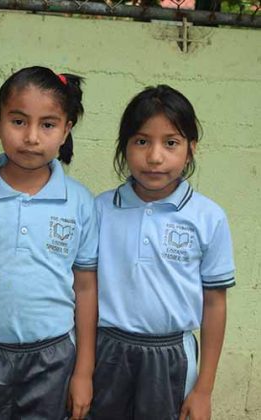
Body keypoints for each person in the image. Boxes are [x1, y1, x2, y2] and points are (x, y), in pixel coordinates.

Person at [0, 66, 98, 420]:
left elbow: (86, 289)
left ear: (66, 130)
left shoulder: (80, 202)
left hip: (52, 358)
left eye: (47, 124)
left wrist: (83, 372)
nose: (32, 137)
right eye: (18, 121)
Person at [90, 85, 235, 420]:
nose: (155, 157)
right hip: (106, 351)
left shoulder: (208, 217)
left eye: (171, 143)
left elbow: (214, 303)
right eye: (142, 141)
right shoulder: (100, 210)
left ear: (191, 149)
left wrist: (204, 389)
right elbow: (82, 289)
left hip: (171, 356)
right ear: (125, 147)